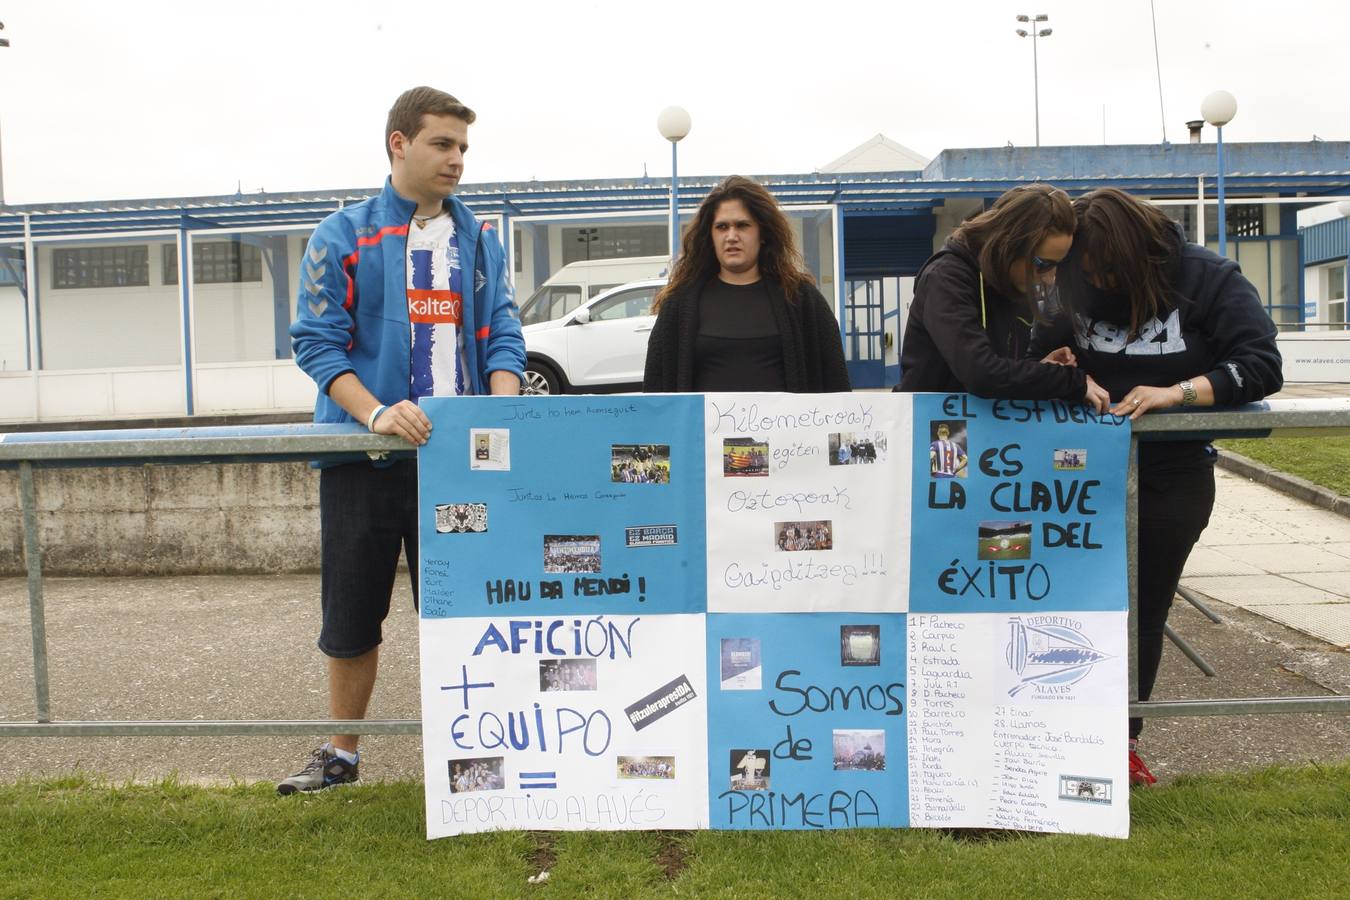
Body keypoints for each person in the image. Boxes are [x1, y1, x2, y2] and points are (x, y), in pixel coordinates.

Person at [281, 87, 525, 794]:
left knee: (467, 612)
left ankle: (482, 754)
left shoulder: (480, 240)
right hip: (365, 459)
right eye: (443, 144)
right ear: (399, 143)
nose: (457, 161)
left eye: (463, 148)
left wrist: (499, 417)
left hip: (459, 465)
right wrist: (377, 413)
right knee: (352, 613)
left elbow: (504, 333)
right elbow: (318, 346)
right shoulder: (342, 235)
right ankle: (342, 755)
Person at [1032, 187, 1283, 786]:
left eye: (1105, 270)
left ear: (1140, 254)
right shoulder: (1071, 274)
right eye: (1084, 271)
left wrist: (1179, 393)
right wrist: (1053, 363)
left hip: (1171, 474)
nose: (1096, 282)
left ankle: (1120, 740)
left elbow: (1262, 364)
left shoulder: (1208, 278)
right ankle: (1051, 734)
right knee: (1057, 604)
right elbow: (1033, 351)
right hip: (1074, 472)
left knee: (1142, 607)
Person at [896, 183, 1109, 412]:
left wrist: (1037, 368)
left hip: (981, 431)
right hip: (928, 434)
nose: (1049, 279)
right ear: (1009, 244)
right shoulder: (946, 278)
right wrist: (1067, 380)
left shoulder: (1011, 283)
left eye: (1058, 266)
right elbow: (980, 373)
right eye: (1042, 264)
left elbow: (1000, 371)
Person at [643, 175, 850, 393]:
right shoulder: (679, 304)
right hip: (703, 429)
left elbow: (836, 380)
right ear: (710, 236)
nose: (731, 236)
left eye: (742, 225)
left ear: (763, 233)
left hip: (785, 427)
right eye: (722, 227)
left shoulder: (801, 299)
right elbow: (656, 387)